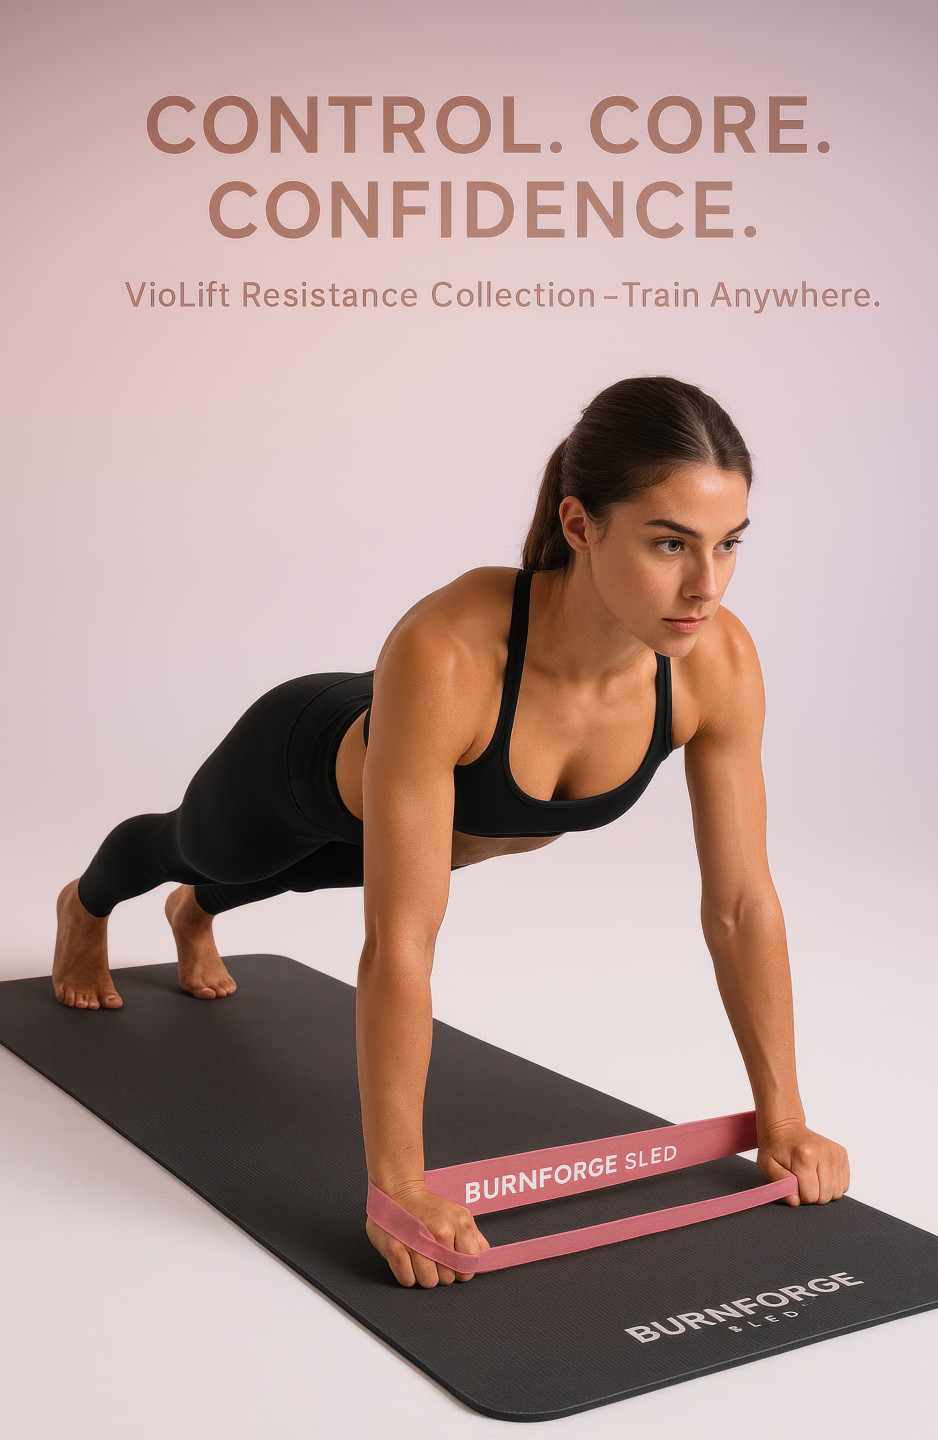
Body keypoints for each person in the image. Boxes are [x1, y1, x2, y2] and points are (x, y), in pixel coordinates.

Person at [51, 375, 850, 1288]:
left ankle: (199, 916)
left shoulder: (719, 664)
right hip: (305, 762)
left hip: (423, 820)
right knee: (205, 850)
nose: (705, 585)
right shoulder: (452, 650)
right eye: (670, 543)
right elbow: (403, 939)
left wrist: (782, 1120)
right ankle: (87, 906)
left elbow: (743, 904)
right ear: (581, 525)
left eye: (728, 545)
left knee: (290, 880)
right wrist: (399, 1185)